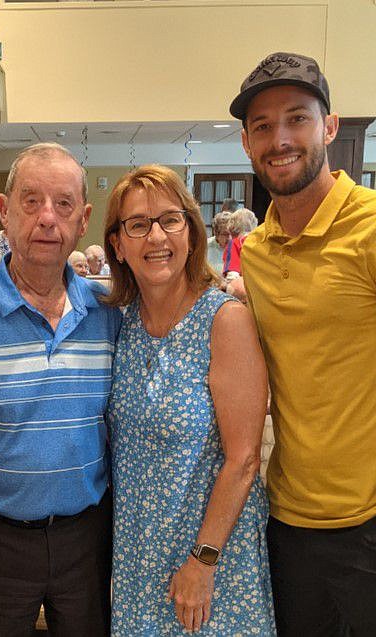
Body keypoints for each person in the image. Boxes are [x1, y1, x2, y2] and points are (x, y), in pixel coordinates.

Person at [232, 51, 376, 636]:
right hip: (289, 523)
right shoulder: (257, 251)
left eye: (296, 119)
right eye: (262, 126)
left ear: (330, 127)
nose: (279, 139)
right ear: (246, 143)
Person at [0, 142, 121, 636]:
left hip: (88, 539)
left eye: (63, 205)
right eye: (31, 201)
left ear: (83, 221)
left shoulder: (109, 314)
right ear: (3, 211)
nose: (46, 219)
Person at [103, 164, 275, 635]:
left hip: (208, 560)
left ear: (192, 231)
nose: (156, 236)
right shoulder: (124, 324)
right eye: (138, 224)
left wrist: (204, 560)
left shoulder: (225, 321)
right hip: (139, 558)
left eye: (170, 220)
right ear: (117, 244)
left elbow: (243, 461)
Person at [222, 207, 257, 278]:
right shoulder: (259, 241)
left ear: (232, 226)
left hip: (243, 284)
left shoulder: (235, 243)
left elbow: (232, 274)